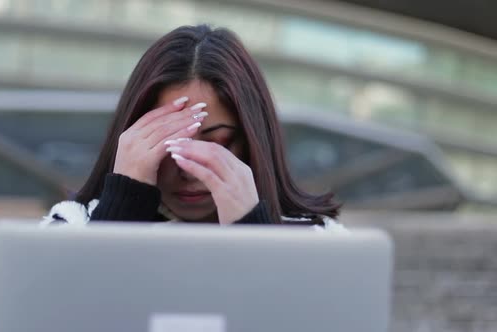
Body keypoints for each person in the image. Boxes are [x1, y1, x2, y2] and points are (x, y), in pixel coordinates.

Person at [42, 24, 343, 231]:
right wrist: (121, 212)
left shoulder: (317, 239)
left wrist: (253, 231)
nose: (188, 169)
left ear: (254, 142)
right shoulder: (72, 227)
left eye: (218, 144)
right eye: (166, 144)